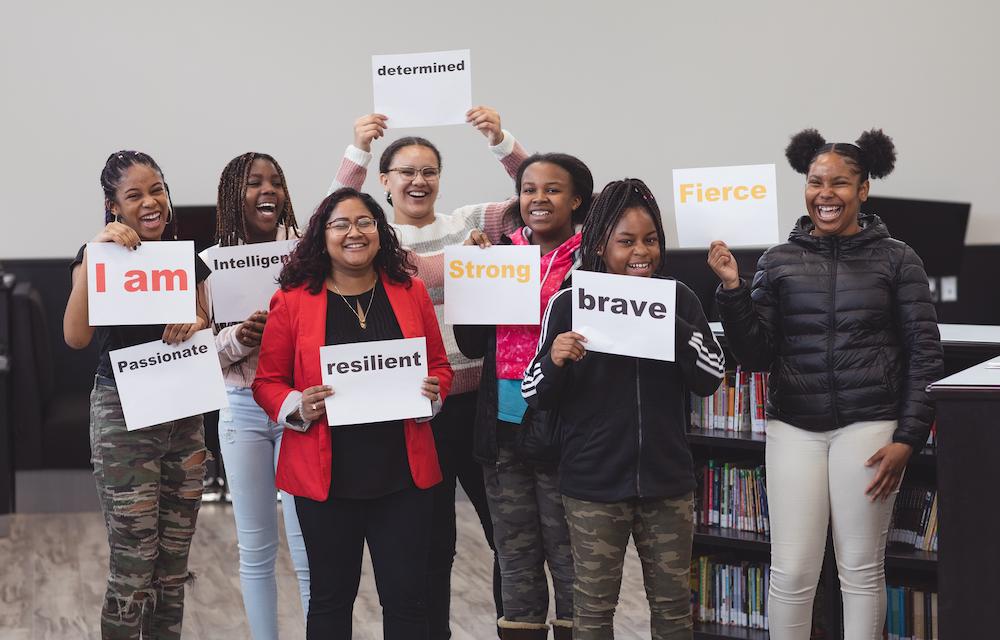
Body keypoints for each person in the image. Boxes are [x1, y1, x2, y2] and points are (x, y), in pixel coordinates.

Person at [707, 129, 943, 640]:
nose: (825, 193)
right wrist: (732, 289)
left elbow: (925, 354)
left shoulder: (898, 259)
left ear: (864, 190)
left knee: (858, 569)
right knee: (791, 571)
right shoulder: (778, 260)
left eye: (840, 183)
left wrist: (907, 438)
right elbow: (755, 355)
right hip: (795, 427)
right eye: (815, 182)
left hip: (871, 427)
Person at [329, 106, 527, 638]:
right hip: (418, 411)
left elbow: (540, 196)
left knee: (508, 536)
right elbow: (412, 269)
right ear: (385, 182)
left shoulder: (466, 222)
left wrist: (500, 140)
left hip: (481, 404)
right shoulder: (373, 238)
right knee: (431, 546)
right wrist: (357, 151)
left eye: (429, 171)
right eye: (407, 172)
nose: (419, 181)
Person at [521, 178, 724, 640]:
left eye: (650, 240)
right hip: (592, 483)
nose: (641, 252)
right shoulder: (571, 302)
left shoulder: (680, 299)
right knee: (592, 610)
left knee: (673, 609)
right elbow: (535, 391)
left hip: (667, 482)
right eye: (626, 241)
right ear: (599, 245)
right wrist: (555, 359)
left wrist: (668, 322)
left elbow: (711, 376)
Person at [252, 187, 453, 640]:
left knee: (408, 600)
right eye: (340, 224)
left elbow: (439, 367)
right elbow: (266, 383)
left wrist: (434, 392)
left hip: (404, 476)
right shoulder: (292, 300)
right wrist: (297, 405)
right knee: (329, 599)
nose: (354, 232)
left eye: (364, 222)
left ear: (380, 232)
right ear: (321, 237)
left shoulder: (411, 291)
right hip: (326, 480)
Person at [63, 150, 210, 639]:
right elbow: (75, 337)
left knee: (172, 565)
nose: (150, 203)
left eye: (157, 190)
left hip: (183, 414)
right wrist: (94, 251)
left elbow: (205, 317)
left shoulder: (187, 257)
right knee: (134, 560)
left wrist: (198, 319)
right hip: (122, 416)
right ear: (113, 205)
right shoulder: (96, 257)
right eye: (134, 195)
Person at [454, 152, 594, 640]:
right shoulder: (497, 253)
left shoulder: (593, 260)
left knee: (571, 555)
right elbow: (472, 344)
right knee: (514, 557)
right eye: (529, 189)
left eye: (552, 189)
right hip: (503, 425)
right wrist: (471, 275)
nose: (538, 198)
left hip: (568, 430)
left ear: (576, 199)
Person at [206, 152, 309, 638]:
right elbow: (200, 360)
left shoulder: (307, 257)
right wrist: (238, 339)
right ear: (232, 196)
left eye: (275, 182)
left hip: (298, 408)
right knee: (256, 548)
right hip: (242, 410)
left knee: (310, 543)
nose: (267, 190)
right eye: (253, 183)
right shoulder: (209, 267)